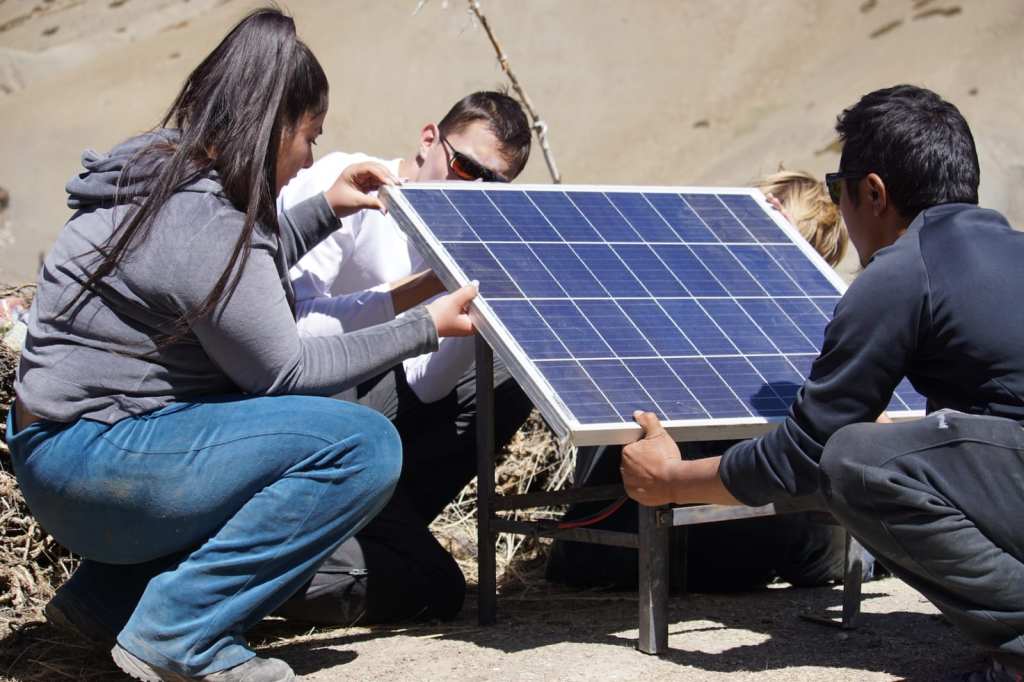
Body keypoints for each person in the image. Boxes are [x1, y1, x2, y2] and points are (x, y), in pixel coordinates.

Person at [5, 9, 479, 681]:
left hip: (66, 456)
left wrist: (323, 210)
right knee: (361, 444)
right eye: (310, 136)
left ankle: (105, 602)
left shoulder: (170, 178)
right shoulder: (204, 218)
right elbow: (283, 368)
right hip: (93, 464)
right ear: (273, 122)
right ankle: (182, 634)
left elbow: (222, 282)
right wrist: (424, 327)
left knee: (272, 426)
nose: (312, 157)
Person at [620, 84, 1024, 681]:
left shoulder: (903, 271)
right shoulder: (1007, 251)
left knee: (858, 460)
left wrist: (671, 480)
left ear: (874, 192)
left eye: (840, 189)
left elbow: (807, 454)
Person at [272, 92, 536, 626]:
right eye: (465, 166)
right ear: (429, 139)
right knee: (435, 588)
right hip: (301, 406)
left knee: (508, 372)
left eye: (493, 184)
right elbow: (286, 335)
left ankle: (380, 532)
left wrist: (468, 301)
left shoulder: (460, 227)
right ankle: (265, 577)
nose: (472, 188)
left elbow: (428, 386)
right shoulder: (347, 185)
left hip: (374, 412)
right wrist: (414, 299)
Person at [546, 172, 855, 593]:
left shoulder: (654, 283)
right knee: (838, 542)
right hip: (716, 548)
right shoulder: (803, 326)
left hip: (608, 552)